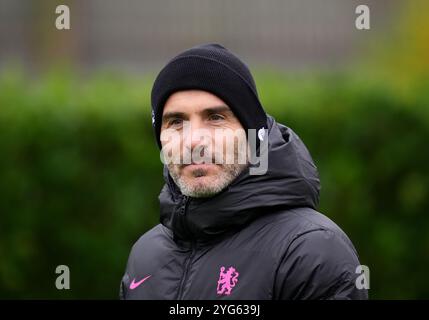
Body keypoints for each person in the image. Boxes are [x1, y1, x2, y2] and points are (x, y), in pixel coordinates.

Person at [120, 43, 368, 300]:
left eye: (216, 117)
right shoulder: (145, 256)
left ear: (253, 135)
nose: (193, 140)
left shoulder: (310, 251)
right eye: (176, 122)